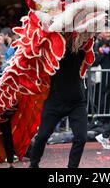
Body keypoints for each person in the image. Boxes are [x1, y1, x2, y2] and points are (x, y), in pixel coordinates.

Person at [29, 39, 90, 168]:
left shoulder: (79, 52)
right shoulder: (51, 55)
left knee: (81, 137)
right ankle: (33, 165)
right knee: (42, 137)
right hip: (54, 102)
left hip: (76, 103)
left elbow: (84, 39)